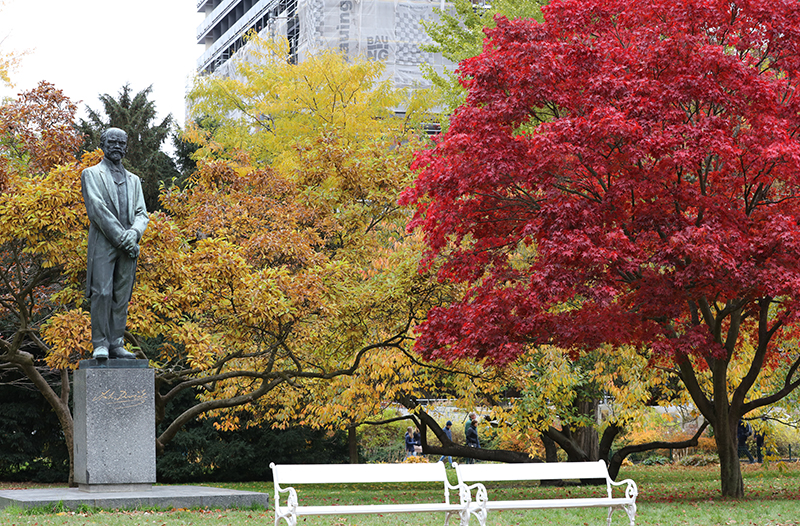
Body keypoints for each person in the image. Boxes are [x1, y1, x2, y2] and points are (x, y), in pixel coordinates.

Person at [82, 128, 149, 360]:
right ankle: (100, 343)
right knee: (102, 292)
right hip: (104, 243)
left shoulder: (134, 180)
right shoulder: (91, 174)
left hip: (129, 245)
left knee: (122, 295)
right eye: (113, 142)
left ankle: (116, 343)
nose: (118, 146)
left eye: (122, 142)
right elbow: (97, 209)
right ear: (103, 144)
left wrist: (134, 233)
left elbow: (142, 213)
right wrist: (123, 238)